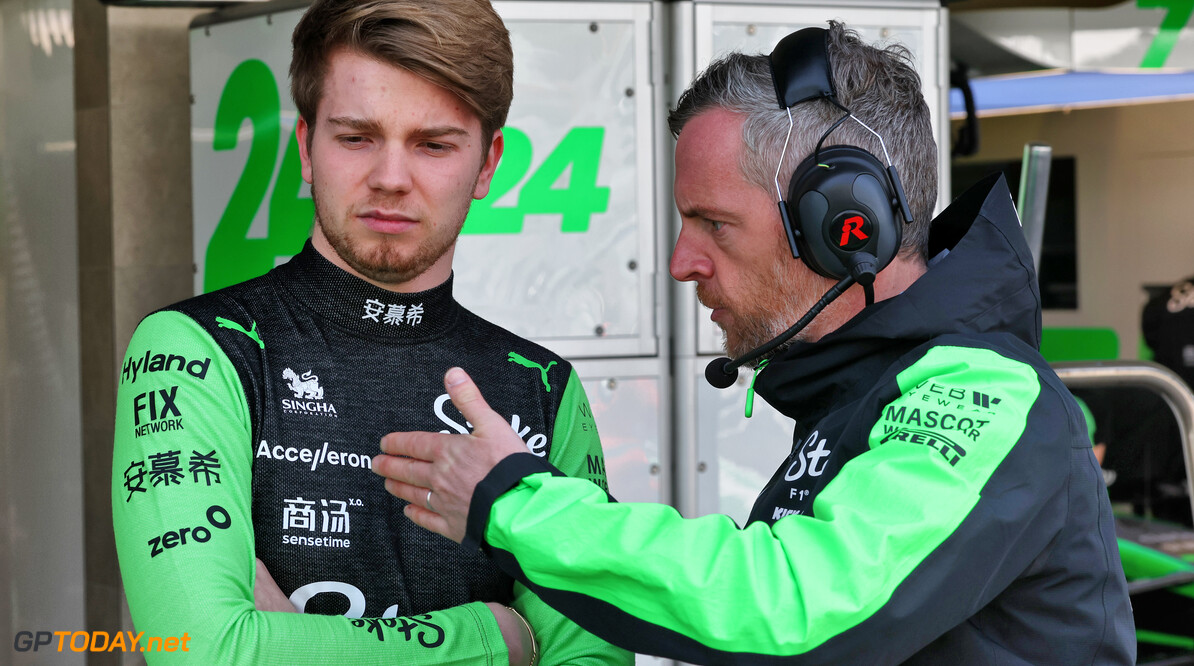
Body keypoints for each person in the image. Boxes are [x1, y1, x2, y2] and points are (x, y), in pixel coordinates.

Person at [373, 22, 1136, 664]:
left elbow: (796, 606)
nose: (682, 262)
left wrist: (515, 501)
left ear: (845, 225)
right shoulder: (863, 392)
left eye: (712, 222)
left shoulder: (985, 392)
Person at [110, 1, 630, 664]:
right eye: (356, 137)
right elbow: (203, 652)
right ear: (305, 147)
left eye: (433, 144)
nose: (390, 179)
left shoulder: (543, 387)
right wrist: (499, 639)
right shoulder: (195, 350)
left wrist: (294, 645)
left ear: (487, 164)